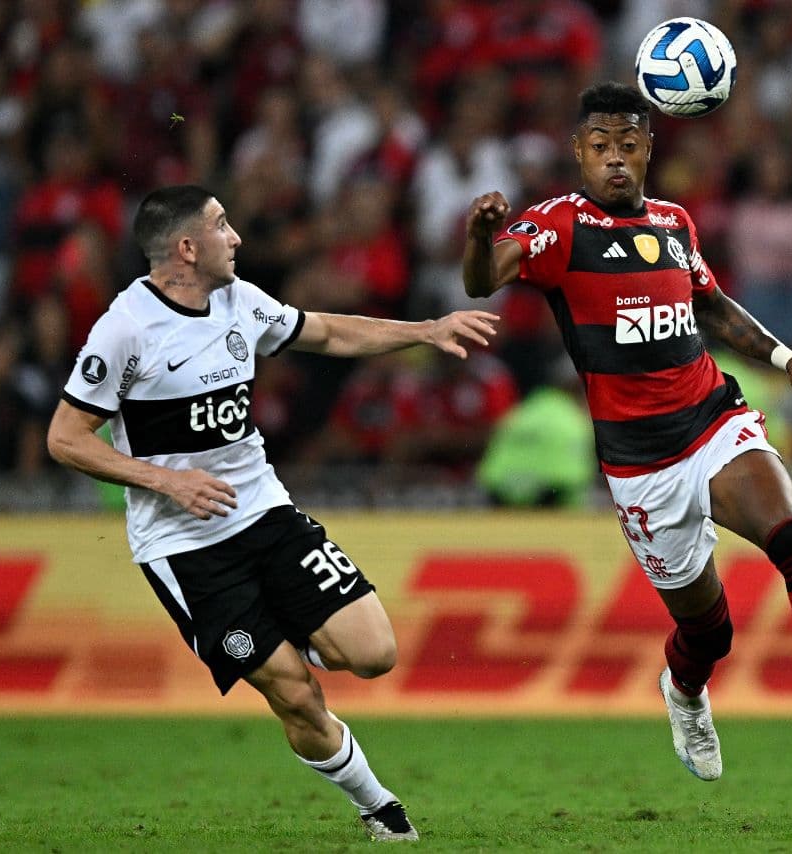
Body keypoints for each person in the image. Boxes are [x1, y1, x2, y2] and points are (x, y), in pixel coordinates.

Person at [462, 82, 792, 798]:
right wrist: (482, 237)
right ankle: (685, 691)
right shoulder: (559, 226)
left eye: (628, 145)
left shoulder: (673, 223)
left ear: (648, 149)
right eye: (600, 146)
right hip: (640, 463)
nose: (614, 159)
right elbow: (483, 281)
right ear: (579, 152)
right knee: (709, 633)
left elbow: (714, 308)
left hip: (712, 419)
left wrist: (791, 362)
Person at [47, 185, 499, 841]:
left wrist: (425, 330)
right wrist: (166, 482)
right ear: (186, 247)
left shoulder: (239, 301)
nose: (235, 237)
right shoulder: (125, 330)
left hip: (265, 514)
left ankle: (286, 627)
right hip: (186, 548)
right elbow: (65, 438)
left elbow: (329, 332)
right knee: (296, 694)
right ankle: (380, 808)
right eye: (221, 225)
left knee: (374, 652)